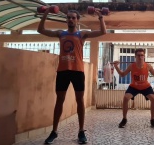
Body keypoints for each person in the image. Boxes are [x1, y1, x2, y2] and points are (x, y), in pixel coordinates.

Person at [37, 8, 107, 144]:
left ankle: (81, 131)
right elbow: (41, 30)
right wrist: (45, 13)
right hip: (63, 71)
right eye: (68, 17)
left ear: (77, 20)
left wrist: (100, 17)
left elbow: (103, 32)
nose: (71, 20)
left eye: (73, 18)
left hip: (78, 71)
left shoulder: (82, 34)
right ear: (66, 20)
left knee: (80, 100)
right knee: (59, 100)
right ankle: (54, 131)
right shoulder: (60, 33)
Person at [113, 48, 154, 129]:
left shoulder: (148, 66)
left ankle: (152, 120)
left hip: (146, 87)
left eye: (142, 55)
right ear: (135, 56)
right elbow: (123, 75)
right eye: (138, 55)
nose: (140, 57)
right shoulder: (131, 66)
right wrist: (116, 67)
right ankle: (124, 119)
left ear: (144, 56)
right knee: (126, 97)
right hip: (134, 86)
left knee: (153, 98)